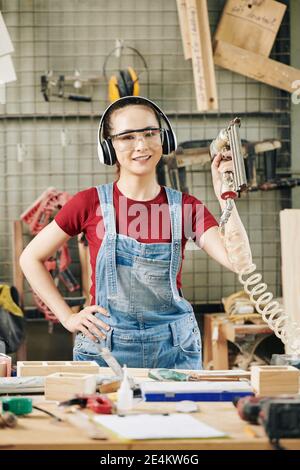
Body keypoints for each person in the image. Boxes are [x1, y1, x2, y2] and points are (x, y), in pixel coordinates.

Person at [20, 96, 251, 369]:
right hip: (104, 349)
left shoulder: (186, 208)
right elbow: (30, 258)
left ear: (163, 138)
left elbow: (240, 262)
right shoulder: (89, 203)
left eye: (150, 133)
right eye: (127, 137)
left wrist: (225, 195)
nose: (141, 145)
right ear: (108, 148)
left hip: (174, 350)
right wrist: (67, 318)